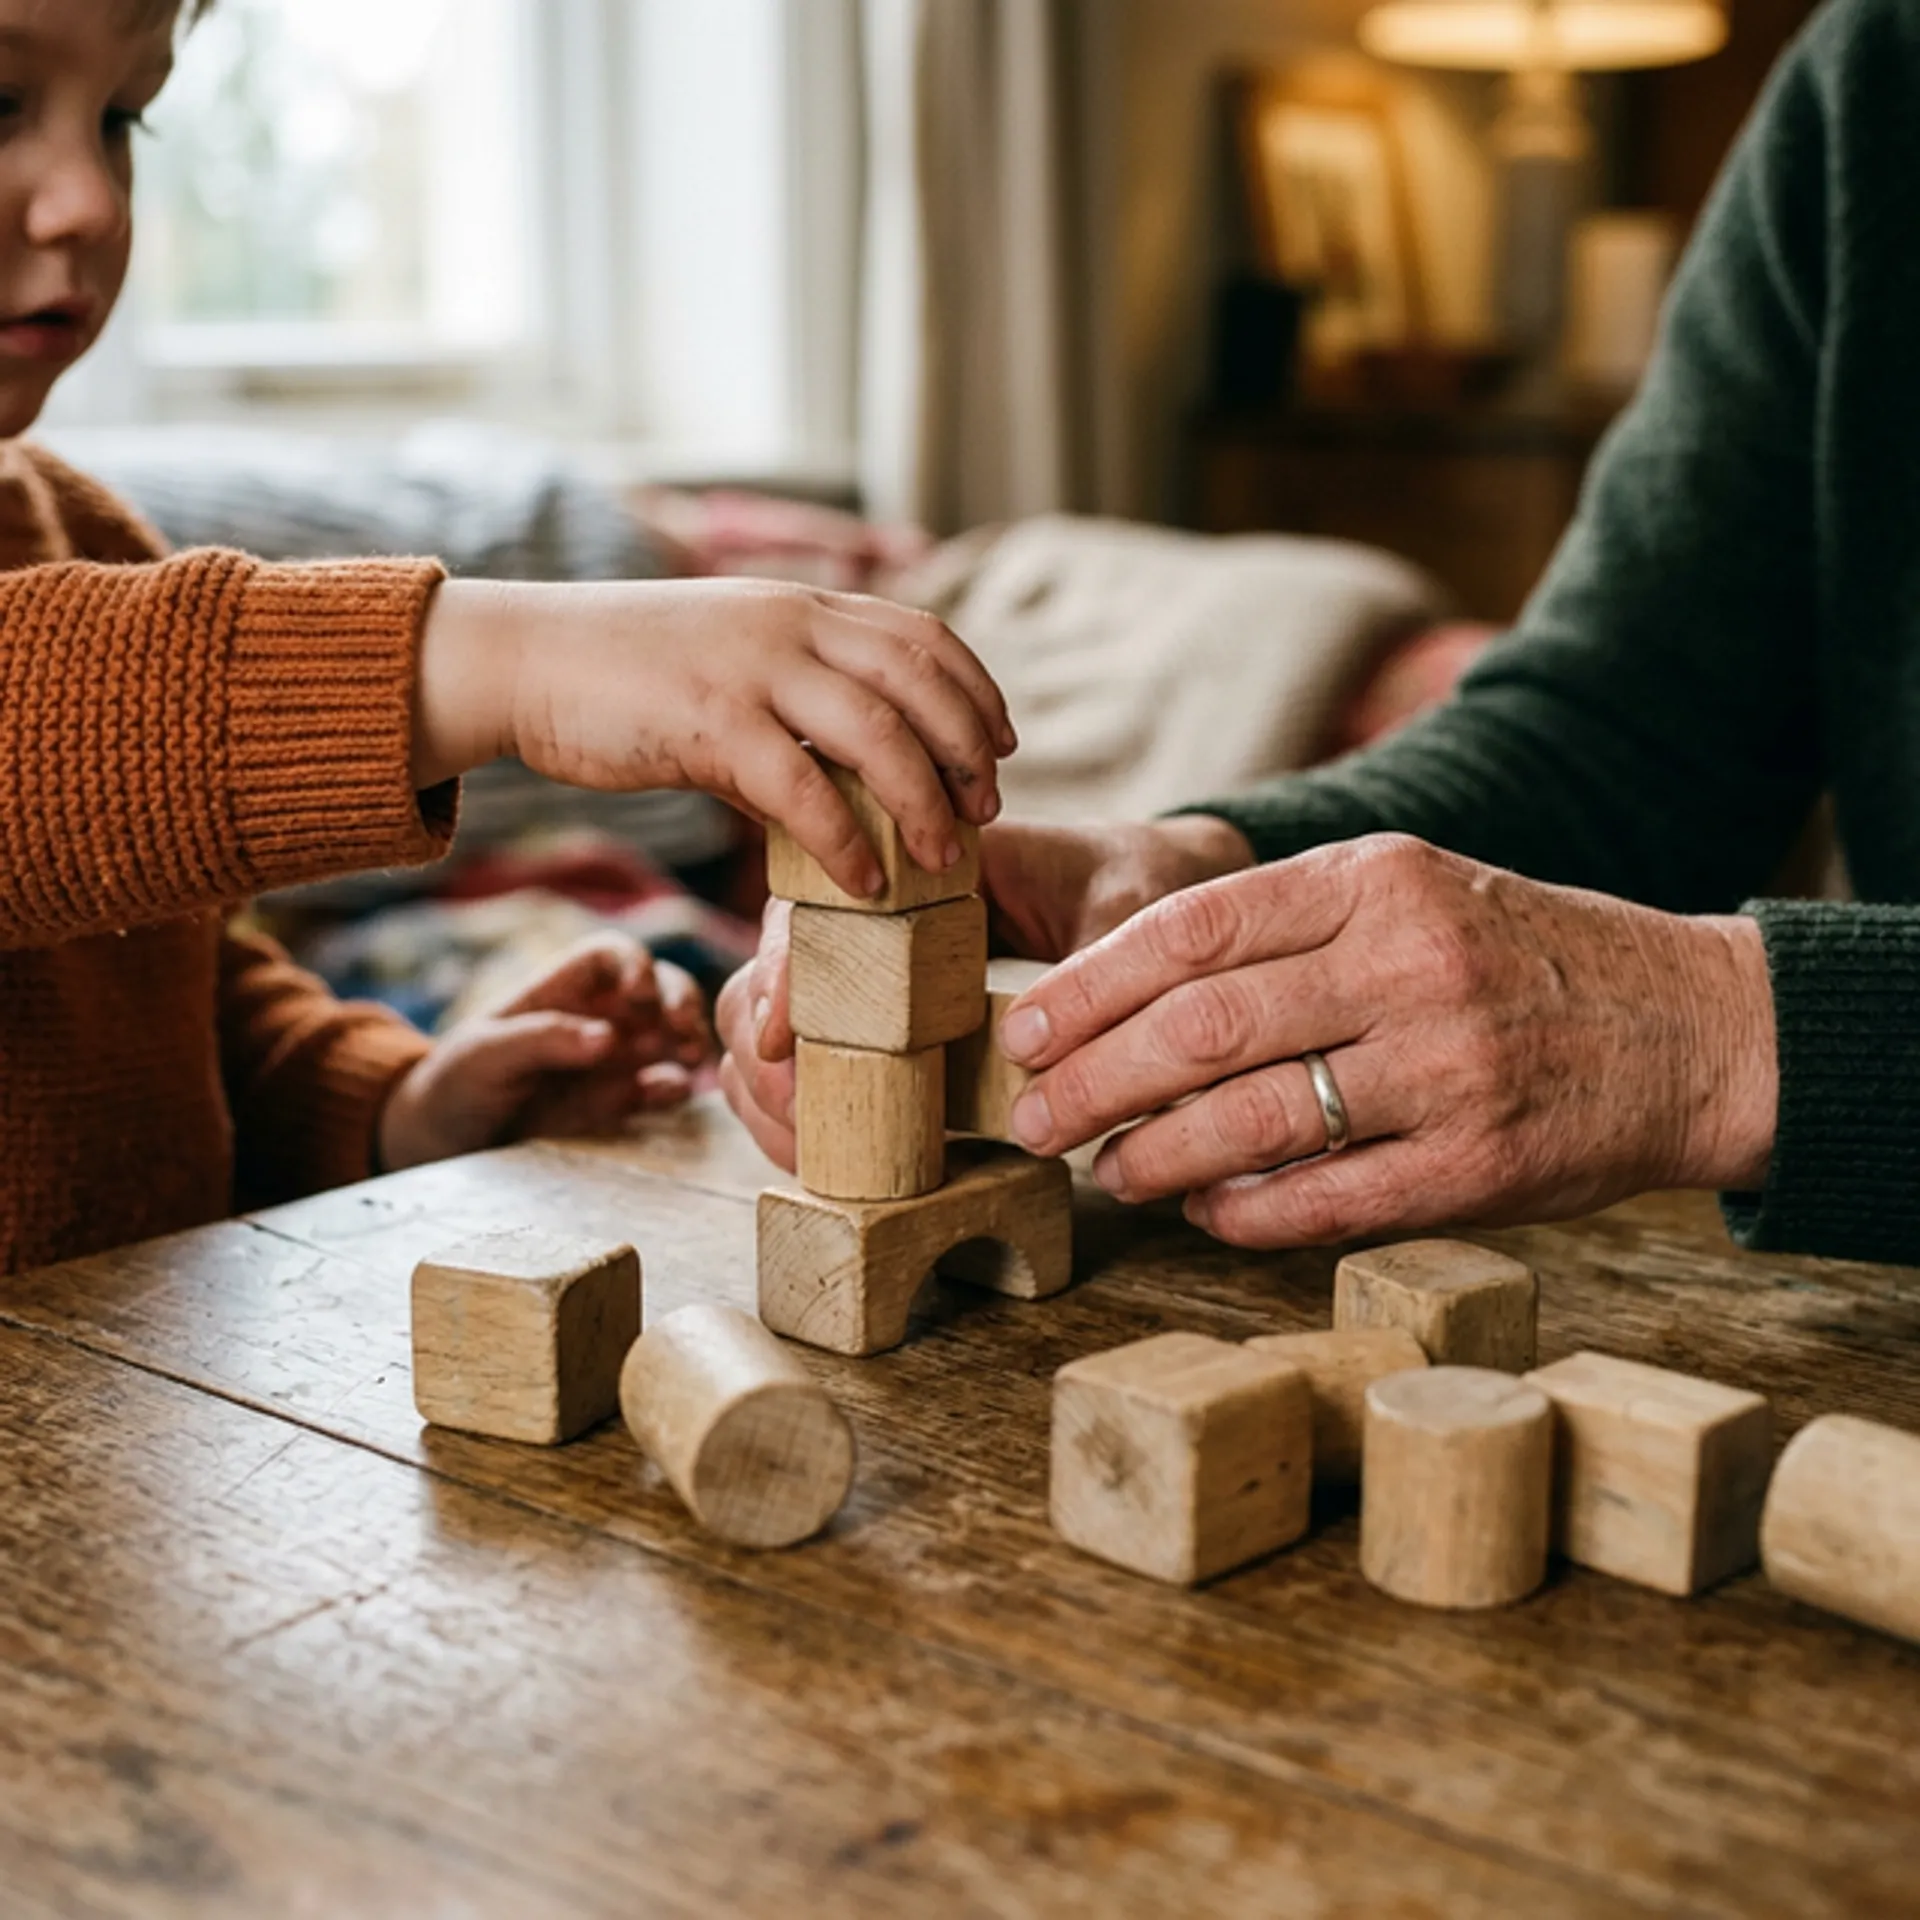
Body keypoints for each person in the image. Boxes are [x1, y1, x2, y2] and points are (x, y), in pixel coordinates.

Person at [723, 0, 1920, 1270]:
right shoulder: (1876, 81)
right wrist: (1200, 867)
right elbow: (1629, 728)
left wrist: (1727, 1036)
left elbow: (1707, 1005)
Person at [0, 0, 1011, 1274]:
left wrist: (392, 1109)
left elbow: (163, 1009)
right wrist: (522, 657)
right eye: (0, 107)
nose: (89, 198)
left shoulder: (87, 529)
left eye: (122, 116)